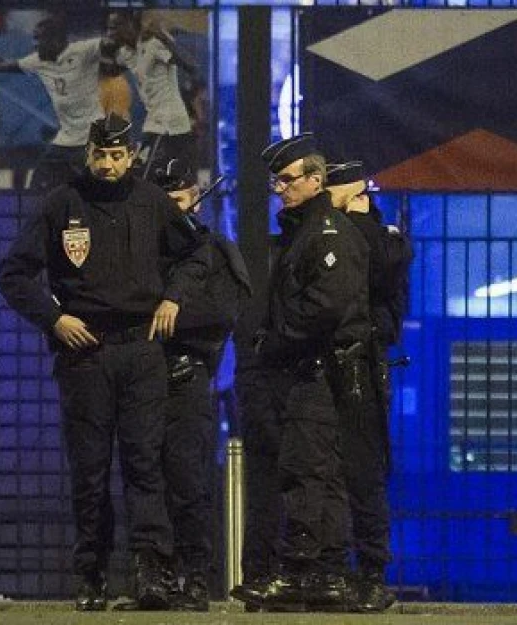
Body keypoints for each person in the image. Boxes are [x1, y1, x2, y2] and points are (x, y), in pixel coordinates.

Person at [0, 114, 209, 612]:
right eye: (101, 155)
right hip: (84, 352)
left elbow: (197, 253)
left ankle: (151, 573)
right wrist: (53, 318)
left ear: (132, 155)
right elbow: (15, 273)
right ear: (88, 154)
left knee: (144, 465)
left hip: (141, 350)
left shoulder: (152, 202)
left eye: (117, 155)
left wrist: (174, 297)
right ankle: (91, 574)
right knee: (89, 471)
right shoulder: (62, 204)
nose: (109, 164)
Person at [230, 133, 371, 611]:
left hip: (315, 371)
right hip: (307, 370)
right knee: (317, 473)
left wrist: (275, 339)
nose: (279, 190)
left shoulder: (326, 233)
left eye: (287, 180)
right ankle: (325, 573)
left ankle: (304, 572)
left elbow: (326, 306)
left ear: (315, 180)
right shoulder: (306, 231)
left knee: (306, 471)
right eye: (276, 181)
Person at [149, 159, 251, 612]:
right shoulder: (143, 252)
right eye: (164, 202)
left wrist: (156, 319)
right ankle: (156, 576)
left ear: (194, 198)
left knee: (188, 484)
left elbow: (221, 314)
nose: (173, 210)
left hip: (188, 379)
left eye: (179, 199)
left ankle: (194, 578)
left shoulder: (213, 250)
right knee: (146, 484)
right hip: (144, 383)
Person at [325, 161, 414, 612]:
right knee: (322, 473)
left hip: (363, 365)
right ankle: (331, 567)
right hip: (323, 364)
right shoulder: (319, 235)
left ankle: (371, 571)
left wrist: (356, 220)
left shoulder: (382, 238)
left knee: (363, 472)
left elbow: (380, 271)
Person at [0, 15, 103, 191]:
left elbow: (113, 45)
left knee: (94, 191)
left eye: (40, 39)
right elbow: (0, 64)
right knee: (36, 187)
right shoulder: (38, 61)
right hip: (66, 140)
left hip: (92, 138)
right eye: (34, 39)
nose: (35, 44)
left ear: (56, 39)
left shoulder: (84, 50)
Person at [104, 11, 198, 176]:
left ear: (129, 25)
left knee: (148, 173)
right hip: (154, 121)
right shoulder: (126, 52)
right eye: (108, 28)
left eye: (114, 27)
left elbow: (191, 66)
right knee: (146, 172)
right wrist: (106, 49)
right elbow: (110, 70)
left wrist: (166, 40)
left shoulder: (153, 44)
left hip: (170, 123)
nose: (110, 33)